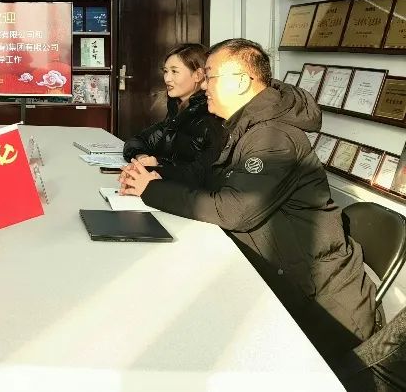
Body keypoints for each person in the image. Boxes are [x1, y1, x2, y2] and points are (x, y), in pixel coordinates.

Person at [120, 38, 376, 359]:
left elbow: (235, 211)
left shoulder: (274, 137)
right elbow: (203, 175)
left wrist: (152, 190)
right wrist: (155, 176)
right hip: (274, 277)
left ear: (241, 82)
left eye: (210, 76)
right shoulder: (239, 126)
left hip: (319, 308)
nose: (204, 85)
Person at [121, 43, 221, 168]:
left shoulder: (209, 116)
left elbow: (200, 170)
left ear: (198, 75)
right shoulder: (176, 112)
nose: (167, 79)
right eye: (165, 71)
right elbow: (137, 141)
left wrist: (159, 164)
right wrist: (142, 157)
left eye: (174, 71)